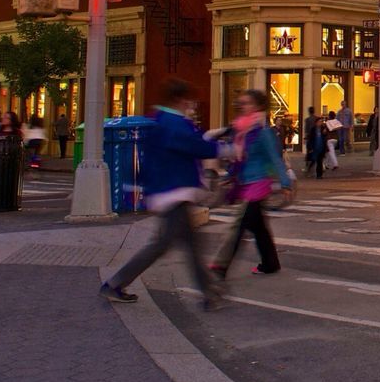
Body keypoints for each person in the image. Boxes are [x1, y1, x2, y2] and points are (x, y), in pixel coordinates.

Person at [99, 79, 224, 308]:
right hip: (174, 193)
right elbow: (195, 146)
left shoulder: (161, 121)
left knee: (190, 244)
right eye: (188, 100)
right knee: (162, 245)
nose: (190, 104)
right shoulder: (174, 123)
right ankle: (115, 283)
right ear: (179, 99)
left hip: (168, 192)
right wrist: (225, 148)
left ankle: (209, 293)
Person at [211, 89, 293, 278]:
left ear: (256, 106)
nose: (242, 106)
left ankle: (220, 265)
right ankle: (270, 263)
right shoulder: (241, 130)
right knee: (258, 227)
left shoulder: (263, 132)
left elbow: (275, 158)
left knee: (239, 225)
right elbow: (239, 159)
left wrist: (285, 183)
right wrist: (229, 176)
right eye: (241, 103)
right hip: (244, 182)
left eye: (247, 103)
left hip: (258, 184)